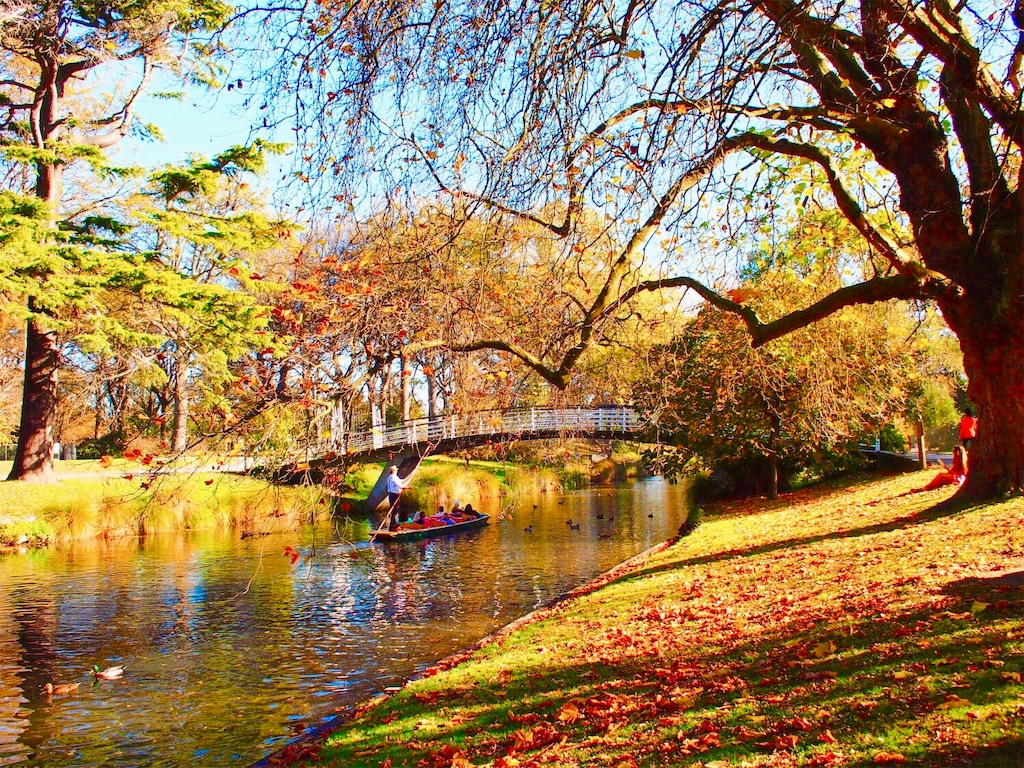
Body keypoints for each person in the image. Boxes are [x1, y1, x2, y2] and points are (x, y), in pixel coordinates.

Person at [386, 466, 411, 530]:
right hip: (394, 495)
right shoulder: (394, 477)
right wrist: (408, 487)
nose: (397, 471)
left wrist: (407, 479)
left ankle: (393, 526)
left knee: (394, 510)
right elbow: (399, 485)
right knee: (395, 511)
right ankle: (394, 526)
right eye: (396, 470)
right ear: (395, 471)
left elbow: (399, 481)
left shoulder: (390, 477)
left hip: (391, 494)